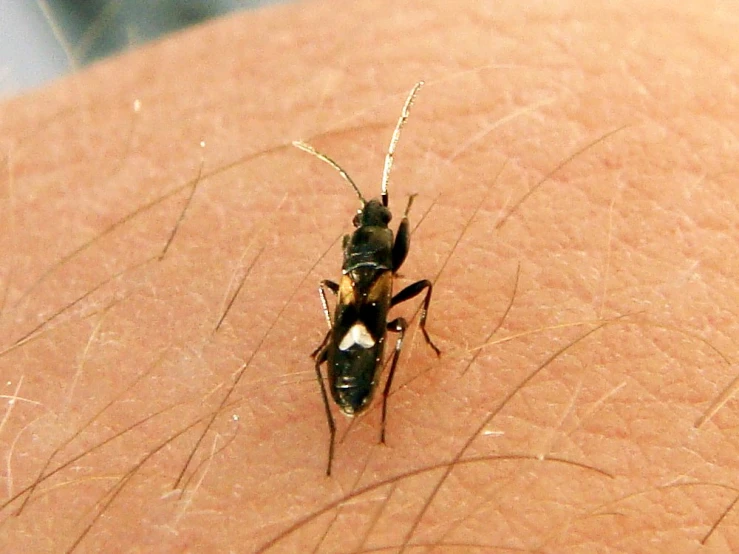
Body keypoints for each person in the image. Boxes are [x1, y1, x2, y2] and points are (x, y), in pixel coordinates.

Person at [1, 0, 737, 551]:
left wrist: (358, 288)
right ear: (380, 247)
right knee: (381, 325)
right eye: (380, 229)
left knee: (340, 330)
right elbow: (397, 264)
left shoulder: (358, 270)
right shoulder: (383, 274)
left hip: (348, 327)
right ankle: (359, 413)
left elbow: (362, 269)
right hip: (362, 335)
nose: (379, 232)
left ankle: (352, 404)